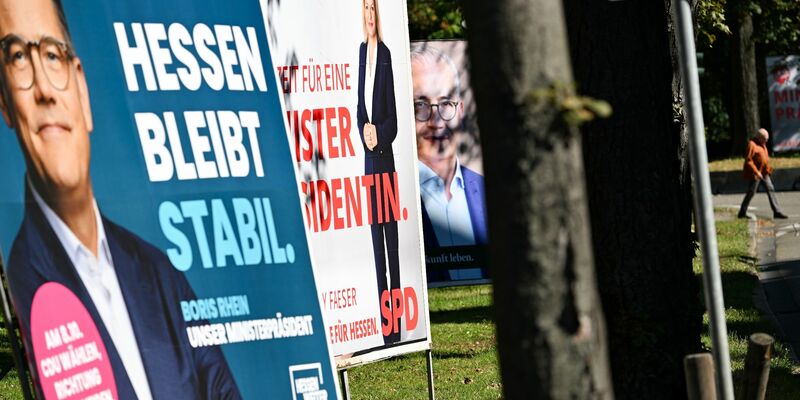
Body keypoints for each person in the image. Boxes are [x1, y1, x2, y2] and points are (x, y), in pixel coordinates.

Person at [0, 0, 241, 398]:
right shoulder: (30, 279)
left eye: (52, 55)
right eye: (19, 58)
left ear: (81, 88)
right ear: (5, 102)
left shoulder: (158, 271)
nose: (43, 89)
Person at [410, 45, 488, 280]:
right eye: (420, 105)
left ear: (460, 110)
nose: (437, 122)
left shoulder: (491, 193)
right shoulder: (394, 198)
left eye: (446, 104)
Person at [357, 0, 400, 345]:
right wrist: (364, 132)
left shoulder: (385, 54)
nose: (369, 15)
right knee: (375, 247)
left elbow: (394, 120)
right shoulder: (362, 53)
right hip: (369, 163)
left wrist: (378, 135)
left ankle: (397, 326)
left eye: (373, 8)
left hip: (385, 161)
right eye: (365, 9)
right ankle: (385, 330)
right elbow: (360, 108)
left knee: (392, 247)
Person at [738, 128, 788, 219]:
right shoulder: (752, 145)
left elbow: (764, 158)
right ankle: (742, 212)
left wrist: (767, 169)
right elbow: (748, 161)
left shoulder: (763, 144)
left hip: (764, 173)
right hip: (755, 174)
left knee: (770, 189)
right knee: (751, 192)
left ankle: (777, 211)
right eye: (765, 139)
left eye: (767, 139)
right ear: (759, 137)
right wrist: (756, 172)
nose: (766, 141)